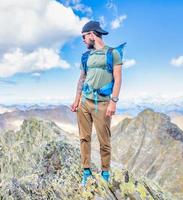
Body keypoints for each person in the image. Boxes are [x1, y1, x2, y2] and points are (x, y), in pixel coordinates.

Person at [70, 20, 123, 186]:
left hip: (103, 104)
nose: (83, 40)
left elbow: (118, 78)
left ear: (92, 34)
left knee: (104, 140)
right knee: (84, 138)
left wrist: (113, 102)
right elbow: (82, 78)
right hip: (85, 102)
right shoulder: (86, 56)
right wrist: (77, 100)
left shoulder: (113, 53)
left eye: (84, 37)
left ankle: (105, 172)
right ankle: (86, 171)